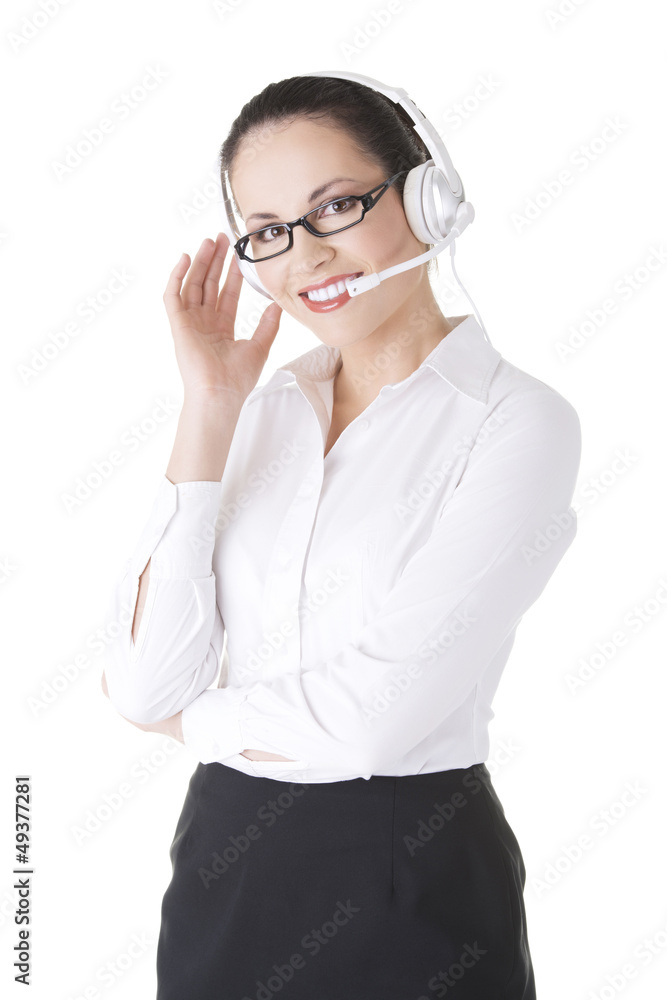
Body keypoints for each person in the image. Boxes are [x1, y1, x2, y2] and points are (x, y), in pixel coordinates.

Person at [101, 74, 581, 999]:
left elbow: (377, 720)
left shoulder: (516, 422)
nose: (307, 257)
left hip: (412, 875)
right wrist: (209, 408)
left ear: (426, 193)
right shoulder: (260, 415)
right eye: (271, 230)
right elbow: (143, 680)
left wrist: (192, 724)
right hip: (221, 867)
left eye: (337, 206)